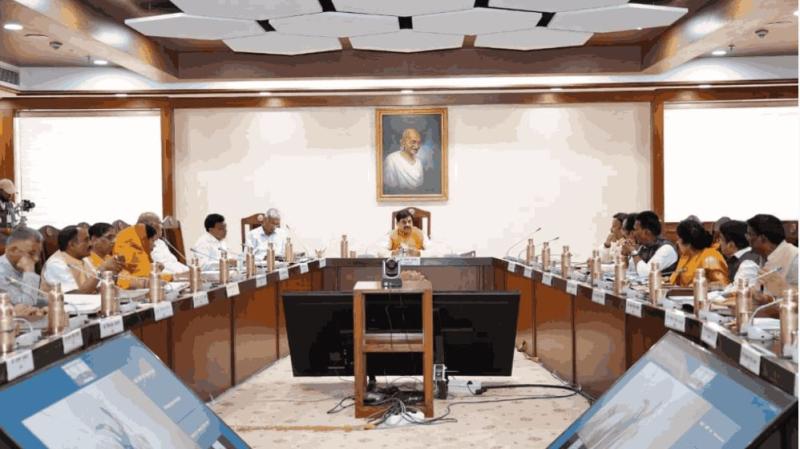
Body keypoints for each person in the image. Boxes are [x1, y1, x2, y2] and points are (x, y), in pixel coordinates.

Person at [43, 225, 122, 293]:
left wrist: (114, 272)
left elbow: (100, 288)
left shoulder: (84, 259)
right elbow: (76, 295)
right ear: (72, 245)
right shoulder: (56, 264)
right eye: (86, 240)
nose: (91, 244)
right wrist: (102, 268)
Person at [746, 214, 798, 299]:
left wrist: (782, 288)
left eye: (750, 234)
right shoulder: (762, 256)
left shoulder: (795, 258)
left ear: (763, 238)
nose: (747, 238)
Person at [669, 219, 728, 287]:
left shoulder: (710, 256)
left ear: (688, 243)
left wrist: (701, 285)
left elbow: (723, 284)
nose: (677, 242)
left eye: (678, 239)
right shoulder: (685, 256)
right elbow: (675, 281)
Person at [0, 226, 45, 306]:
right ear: (13, 250)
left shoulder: (18, 267)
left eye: (38, 254)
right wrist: (29, 271)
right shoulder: (1, 273)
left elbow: (33, 298)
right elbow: (27, 304)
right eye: (31, 253)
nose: (37, 259)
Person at [628, 211, 678, 276]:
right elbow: (631, 270)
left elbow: (646, 274)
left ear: (647, 232)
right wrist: (625, 255)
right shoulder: (644, 246)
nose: (634, 233)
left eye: (636, 229)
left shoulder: (666, 249)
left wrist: (633, 252)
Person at [718, 220, 762, 285]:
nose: (719, 242)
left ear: (731, 245)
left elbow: (739, 288)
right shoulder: (738, 258)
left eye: (721, 239)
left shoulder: (749, 263)